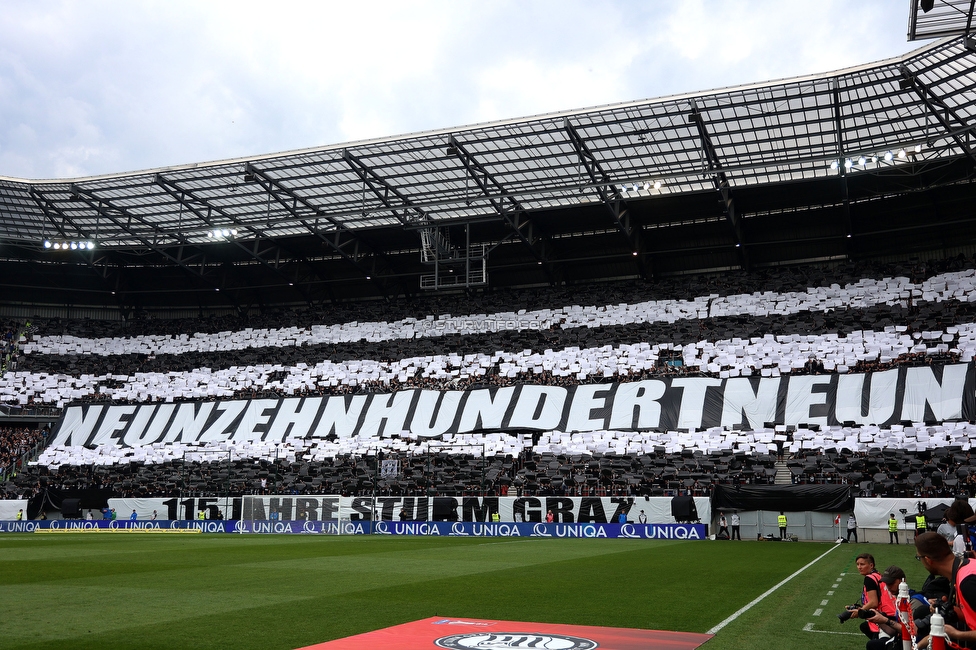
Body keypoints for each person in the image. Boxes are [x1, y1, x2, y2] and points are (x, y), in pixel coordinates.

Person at [915, 531, 976, 648]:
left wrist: (957, 634)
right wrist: (949, 609)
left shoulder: (967, 582)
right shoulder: (967, 567)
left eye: (919, 557)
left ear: (928, 560)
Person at [863, 566, 909, 650]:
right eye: (886, 584)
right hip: (898, 637)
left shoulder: (910, 601)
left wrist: (885, 620)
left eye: (891, 583)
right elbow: (893, 631)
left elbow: (910, 631)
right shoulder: (899, 599)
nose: (888, 587)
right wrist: (879, 620)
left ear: (903, 581)